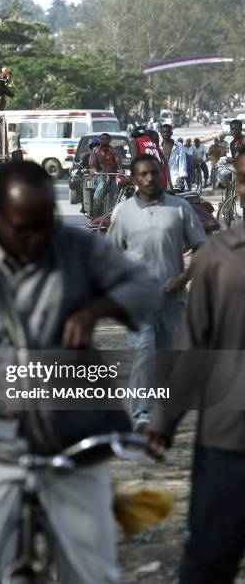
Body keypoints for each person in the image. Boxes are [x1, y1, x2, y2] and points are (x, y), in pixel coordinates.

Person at [0, 160, 161, 584]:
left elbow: (146, 288)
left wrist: (98, 308)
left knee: (94, 570)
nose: (37, 239)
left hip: (74, 431)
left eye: (46, 225)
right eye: (24, 228)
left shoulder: (80, 250)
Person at [148, 150, 245, 584]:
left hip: (227, 436)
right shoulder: (222, 257)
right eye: (243, 179)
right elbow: (194, 345)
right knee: (208, 560)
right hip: (229, 439)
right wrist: (164, 419)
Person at [107, 155, 206, 430]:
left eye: (154, 173)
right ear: (134, 178)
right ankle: (141, 414)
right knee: (144, 350)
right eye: (143, 174)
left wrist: (184, 277)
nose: (150, 178)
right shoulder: (122, 213)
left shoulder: (180, 208)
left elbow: (201, 247)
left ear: (161, 174)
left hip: (172, 298)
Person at [90, 133, 122, 217]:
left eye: (106, 139)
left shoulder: (114, 151)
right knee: (99, 191)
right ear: (100, 140)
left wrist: (121, 170)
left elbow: (119, 162)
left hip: (112, 176)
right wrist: (94, 170)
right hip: (100, 176)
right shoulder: (95, 151)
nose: (104, 140)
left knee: (115, 193)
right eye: (102, 139)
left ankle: (114, 214)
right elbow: (92, 164)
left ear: (110, 140)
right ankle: (96, 215)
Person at [130, 125, 170, 189]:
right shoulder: (153, 142)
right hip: (162, 180)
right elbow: (166, 161)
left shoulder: (135, 141)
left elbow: (135, 161)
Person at [160, 124, 187, 190]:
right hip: (163, 178)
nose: (166, 134)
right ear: (161, 133)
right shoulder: (158, 147)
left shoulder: (179, 146)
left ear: (171, 133)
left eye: (168, 132)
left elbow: (182, 163)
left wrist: (181, 177)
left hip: (176, 178)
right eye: (164, 132)